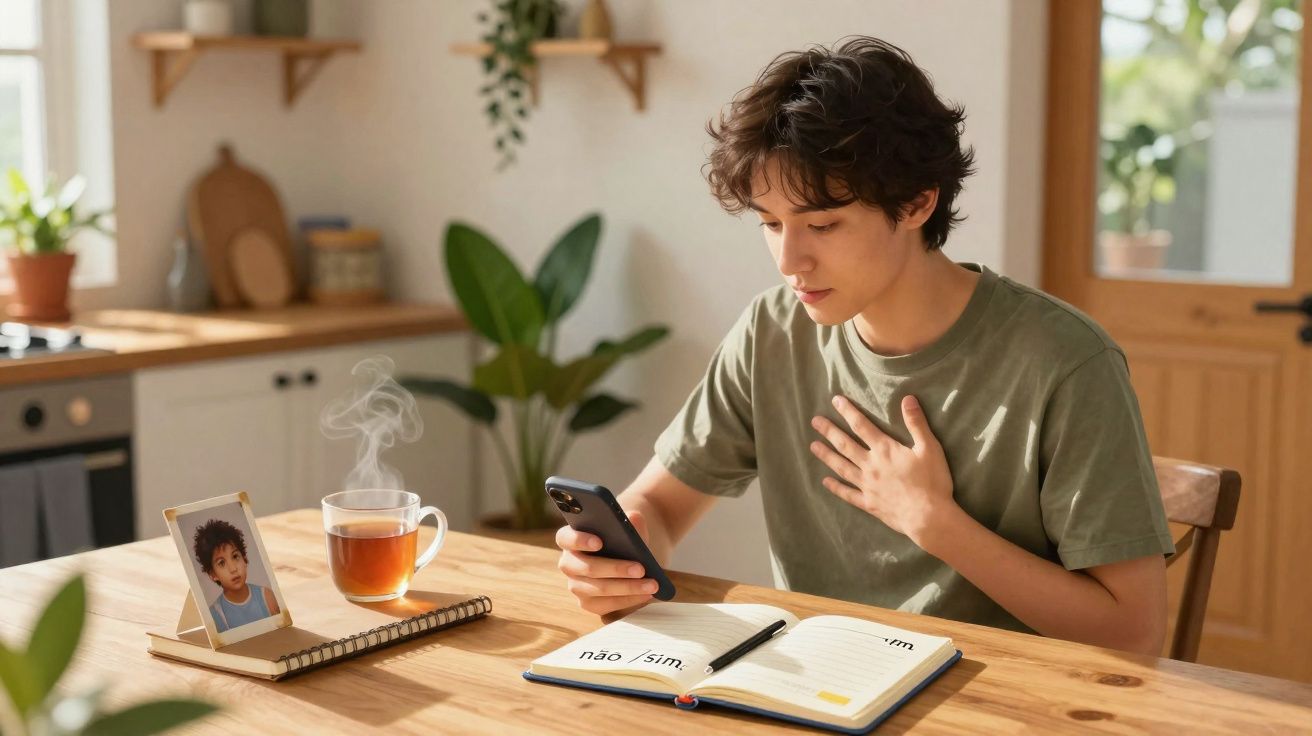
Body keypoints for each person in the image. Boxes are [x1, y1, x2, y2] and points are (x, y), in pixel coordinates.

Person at [555, 36, 1175, 655]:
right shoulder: (772, 332)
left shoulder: (1065, 361)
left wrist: (935, 523)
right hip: (815, 682)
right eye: (771, 223)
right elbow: (660, 507)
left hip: (997, 693)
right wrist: (619, 556)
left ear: (917, 202)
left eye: (822, 224)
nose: (789, 261)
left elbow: (1135, 632)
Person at [193, 518, 280, 632]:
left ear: (244, 559)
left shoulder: (266, 597)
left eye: (235, 556)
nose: (233, 569)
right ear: (213, 574)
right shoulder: (215, 615)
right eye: (221, 563)